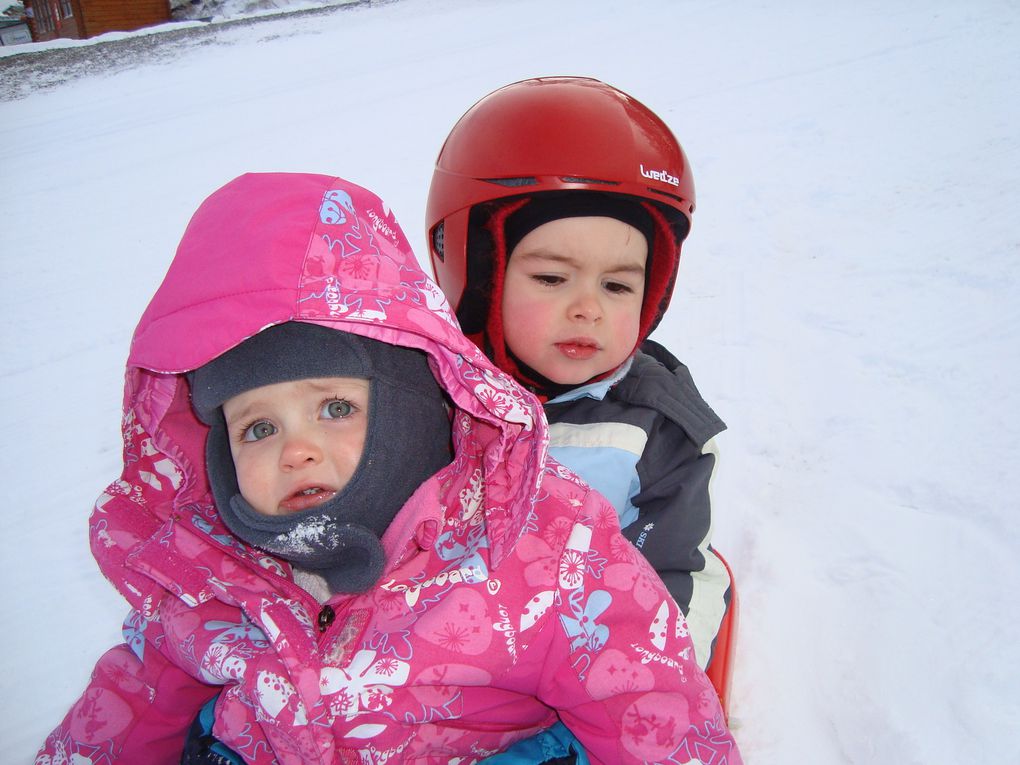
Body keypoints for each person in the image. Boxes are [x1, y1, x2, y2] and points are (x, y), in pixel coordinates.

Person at [37, 172, 741, 765]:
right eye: (257, 426)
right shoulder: (205, 571)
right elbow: (128, 702)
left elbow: (645, 696)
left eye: (336, 407)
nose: (296, 449)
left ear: (411, 408)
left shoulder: (544, 548)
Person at [425, 75, 733, 675]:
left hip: (579, 658)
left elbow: (675, 571)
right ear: (478, 271)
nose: (588, 308)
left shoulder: (660, 432)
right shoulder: (422, 391)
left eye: (617, 286)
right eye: (551, 278)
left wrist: (654, 683)